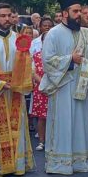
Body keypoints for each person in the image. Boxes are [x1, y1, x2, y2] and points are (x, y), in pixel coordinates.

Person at [40, 0, 88, 175]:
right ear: (65, 13)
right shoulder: (53, 34)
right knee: (64, 123)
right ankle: (60, 163)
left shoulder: (84, 33)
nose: (79, 14)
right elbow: (47, 61)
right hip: (62, 86)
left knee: (80, 122)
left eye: (80, 11)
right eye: (75, 11)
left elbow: (87, 59)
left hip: (80, 85)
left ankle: (80, 161)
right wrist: (70, 59)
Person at [0, 2, 34, 177]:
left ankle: (18, 164)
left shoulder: (18, 38)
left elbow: (28, 63)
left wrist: (22, 80)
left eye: (9, 15)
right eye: (2, 16)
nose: (6, 19)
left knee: (18, 125)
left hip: (16, 89)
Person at [30, 17, 54, 152]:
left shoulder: (56, 55)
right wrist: (44, 83)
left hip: (55, 88)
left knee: (54, 116)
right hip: (41, 88)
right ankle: (41, 141)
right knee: (41, 117)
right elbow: (33, 72)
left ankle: (53, 141)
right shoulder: (36, 55)